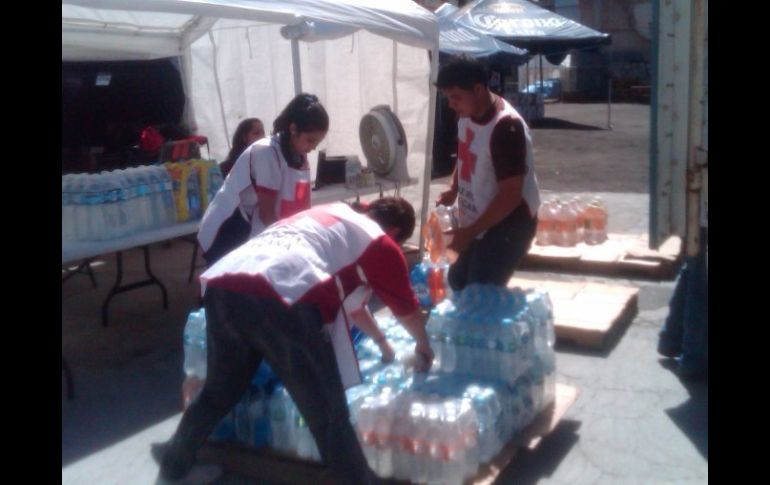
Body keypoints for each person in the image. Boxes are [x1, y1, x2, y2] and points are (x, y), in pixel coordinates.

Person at [153, 197, 434, 484]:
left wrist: (383, 343)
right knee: (328, 411)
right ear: (396, 233)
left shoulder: (330, 214)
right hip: (280, 296)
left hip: (225, 283)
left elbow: (355, 308)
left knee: (219, 391)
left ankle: (174, 469)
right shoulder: (380, 243)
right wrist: (423, 344)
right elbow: (407, 310)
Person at [435, 57, 541, 291]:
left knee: (479, 292)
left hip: (509, 224)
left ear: (479, 89)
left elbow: (510, 197)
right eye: (447, 98)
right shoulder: (466, 113)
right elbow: (465, 153)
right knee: (457, 281)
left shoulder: (506, 127)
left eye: (455, 96)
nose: (451, 104)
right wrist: (454, 188)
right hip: (478, 219)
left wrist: (468, 233)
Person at [197, 94, 328, 266]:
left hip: (253, 226)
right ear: (293, 129)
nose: (313, 147)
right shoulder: (266, 153)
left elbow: (300, 206)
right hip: (230, 228)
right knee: (227, 285)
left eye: (317, 142)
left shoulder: (299, 156)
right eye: (310, 140)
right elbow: (267, 215)